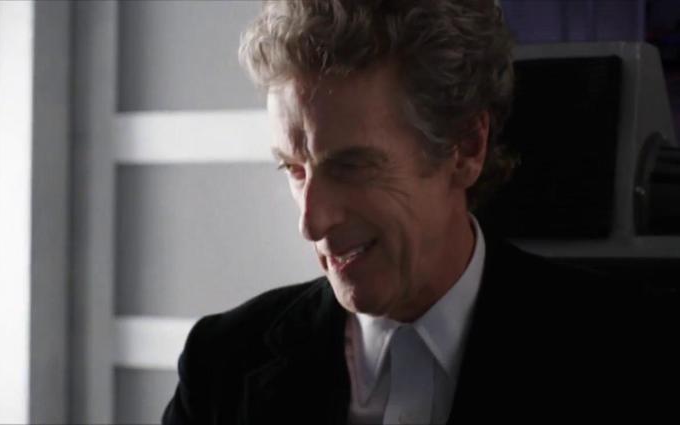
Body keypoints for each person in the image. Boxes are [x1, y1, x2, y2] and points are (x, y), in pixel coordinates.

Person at [163, 1, 675, 424]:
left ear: (466, 148)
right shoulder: (222, 364)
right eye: (294, 170)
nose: (311, 223)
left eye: (351, 166)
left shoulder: (635, 355)